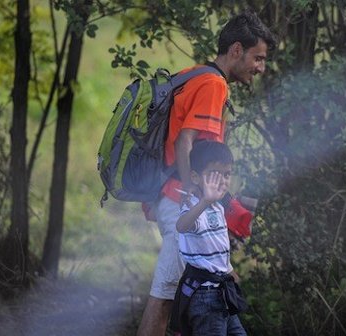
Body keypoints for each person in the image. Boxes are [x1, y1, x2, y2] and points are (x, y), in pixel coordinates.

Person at [137, 11, 276, 336]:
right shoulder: (213, 84)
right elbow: (186, 142)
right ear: (237, 50)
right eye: (258, 58)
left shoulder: (194, 74)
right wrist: (195, 197)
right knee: (165, 301)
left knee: (177, 299)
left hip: (171, 196)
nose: (260, 67)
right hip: (179, 200)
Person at [171, 140, 247, 336]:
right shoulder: (195, 206)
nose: (221, 180)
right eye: (214, 174)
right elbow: (182, 226)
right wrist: (204, 202)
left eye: (227, 174)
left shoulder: (218, 207)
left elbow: (216, 245)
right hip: (205, 296)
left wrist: (230, 270)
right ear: (195, 177)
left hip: (222, 290)